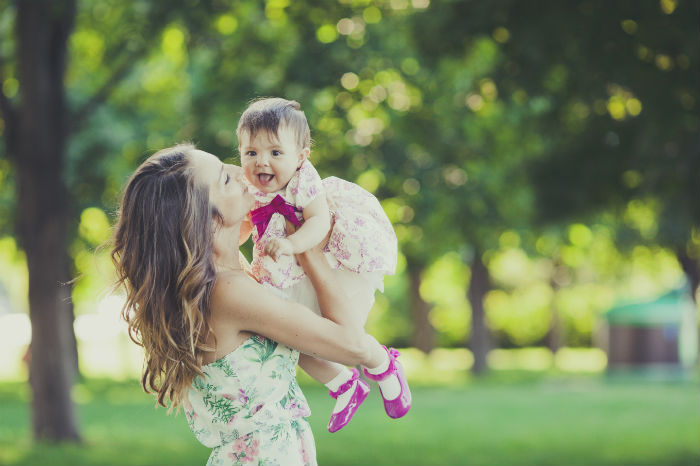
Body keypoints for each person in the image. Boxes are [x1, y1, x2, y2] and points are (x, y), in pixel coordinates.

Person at [110, 143, 411, 466]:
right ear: (203, 222)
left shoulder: (219, 280)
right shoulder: (229, 292)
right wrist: (309, 253)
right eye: (225, 179)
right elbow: (350, 343)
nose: (243, 173)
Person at [236, 98, 406, 433]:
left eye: (275, 152)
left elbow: (317, 221)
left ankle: (383, 364)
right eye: (250, 153)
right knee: (285, 335)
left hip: (327, 266)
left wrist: (291, 244)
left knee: (345, 337)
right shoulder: (250, 190)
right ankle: (344, 384)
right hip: (283, 276)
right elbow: (244, 225)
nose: (261, 162)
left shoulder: (304, 182)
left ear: (300, 157)